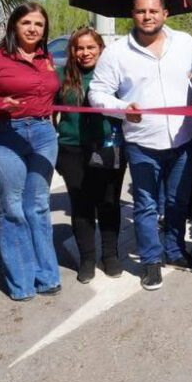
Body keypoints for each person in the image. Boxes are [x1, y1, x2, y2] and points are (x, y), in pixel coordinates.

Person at [89, 0, 192, 292]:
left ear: (165, 13)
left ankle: (176, 251)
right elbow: (97, 92)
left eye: (153, 11)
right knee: (145, 205)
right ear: (133, 14)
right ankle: (151, 262)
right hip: (141, 142)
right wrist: (121, 108)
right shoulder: (116, 52)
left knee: (177, 202)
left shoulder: (185, 44)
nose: (147, 16)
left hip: (183, 138)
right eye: (141, 11)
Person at [0, 3, 63, 302]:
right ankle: (22, 282)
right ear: (14, 26)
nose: (33, 28)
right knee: (12, 206)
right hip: (2, 134)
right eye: (26, 22)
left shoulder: (45, 57)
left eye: (39, 24)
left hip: (43, 134)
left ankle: (47, 276)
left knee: (37, 204)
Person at [53, 28, 125, 284]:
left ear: (101, 49)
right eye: (79, 48)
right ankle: (87, 259)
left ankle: (111, 255)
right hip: (72, 149)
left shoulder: (113, 75)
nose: (85, 53)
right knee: (82, 204)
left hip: (109, 147)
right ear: (72, 51)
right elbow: (46, 110)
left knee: (108, 202)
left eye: (91, 47)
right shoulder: (61, 75)